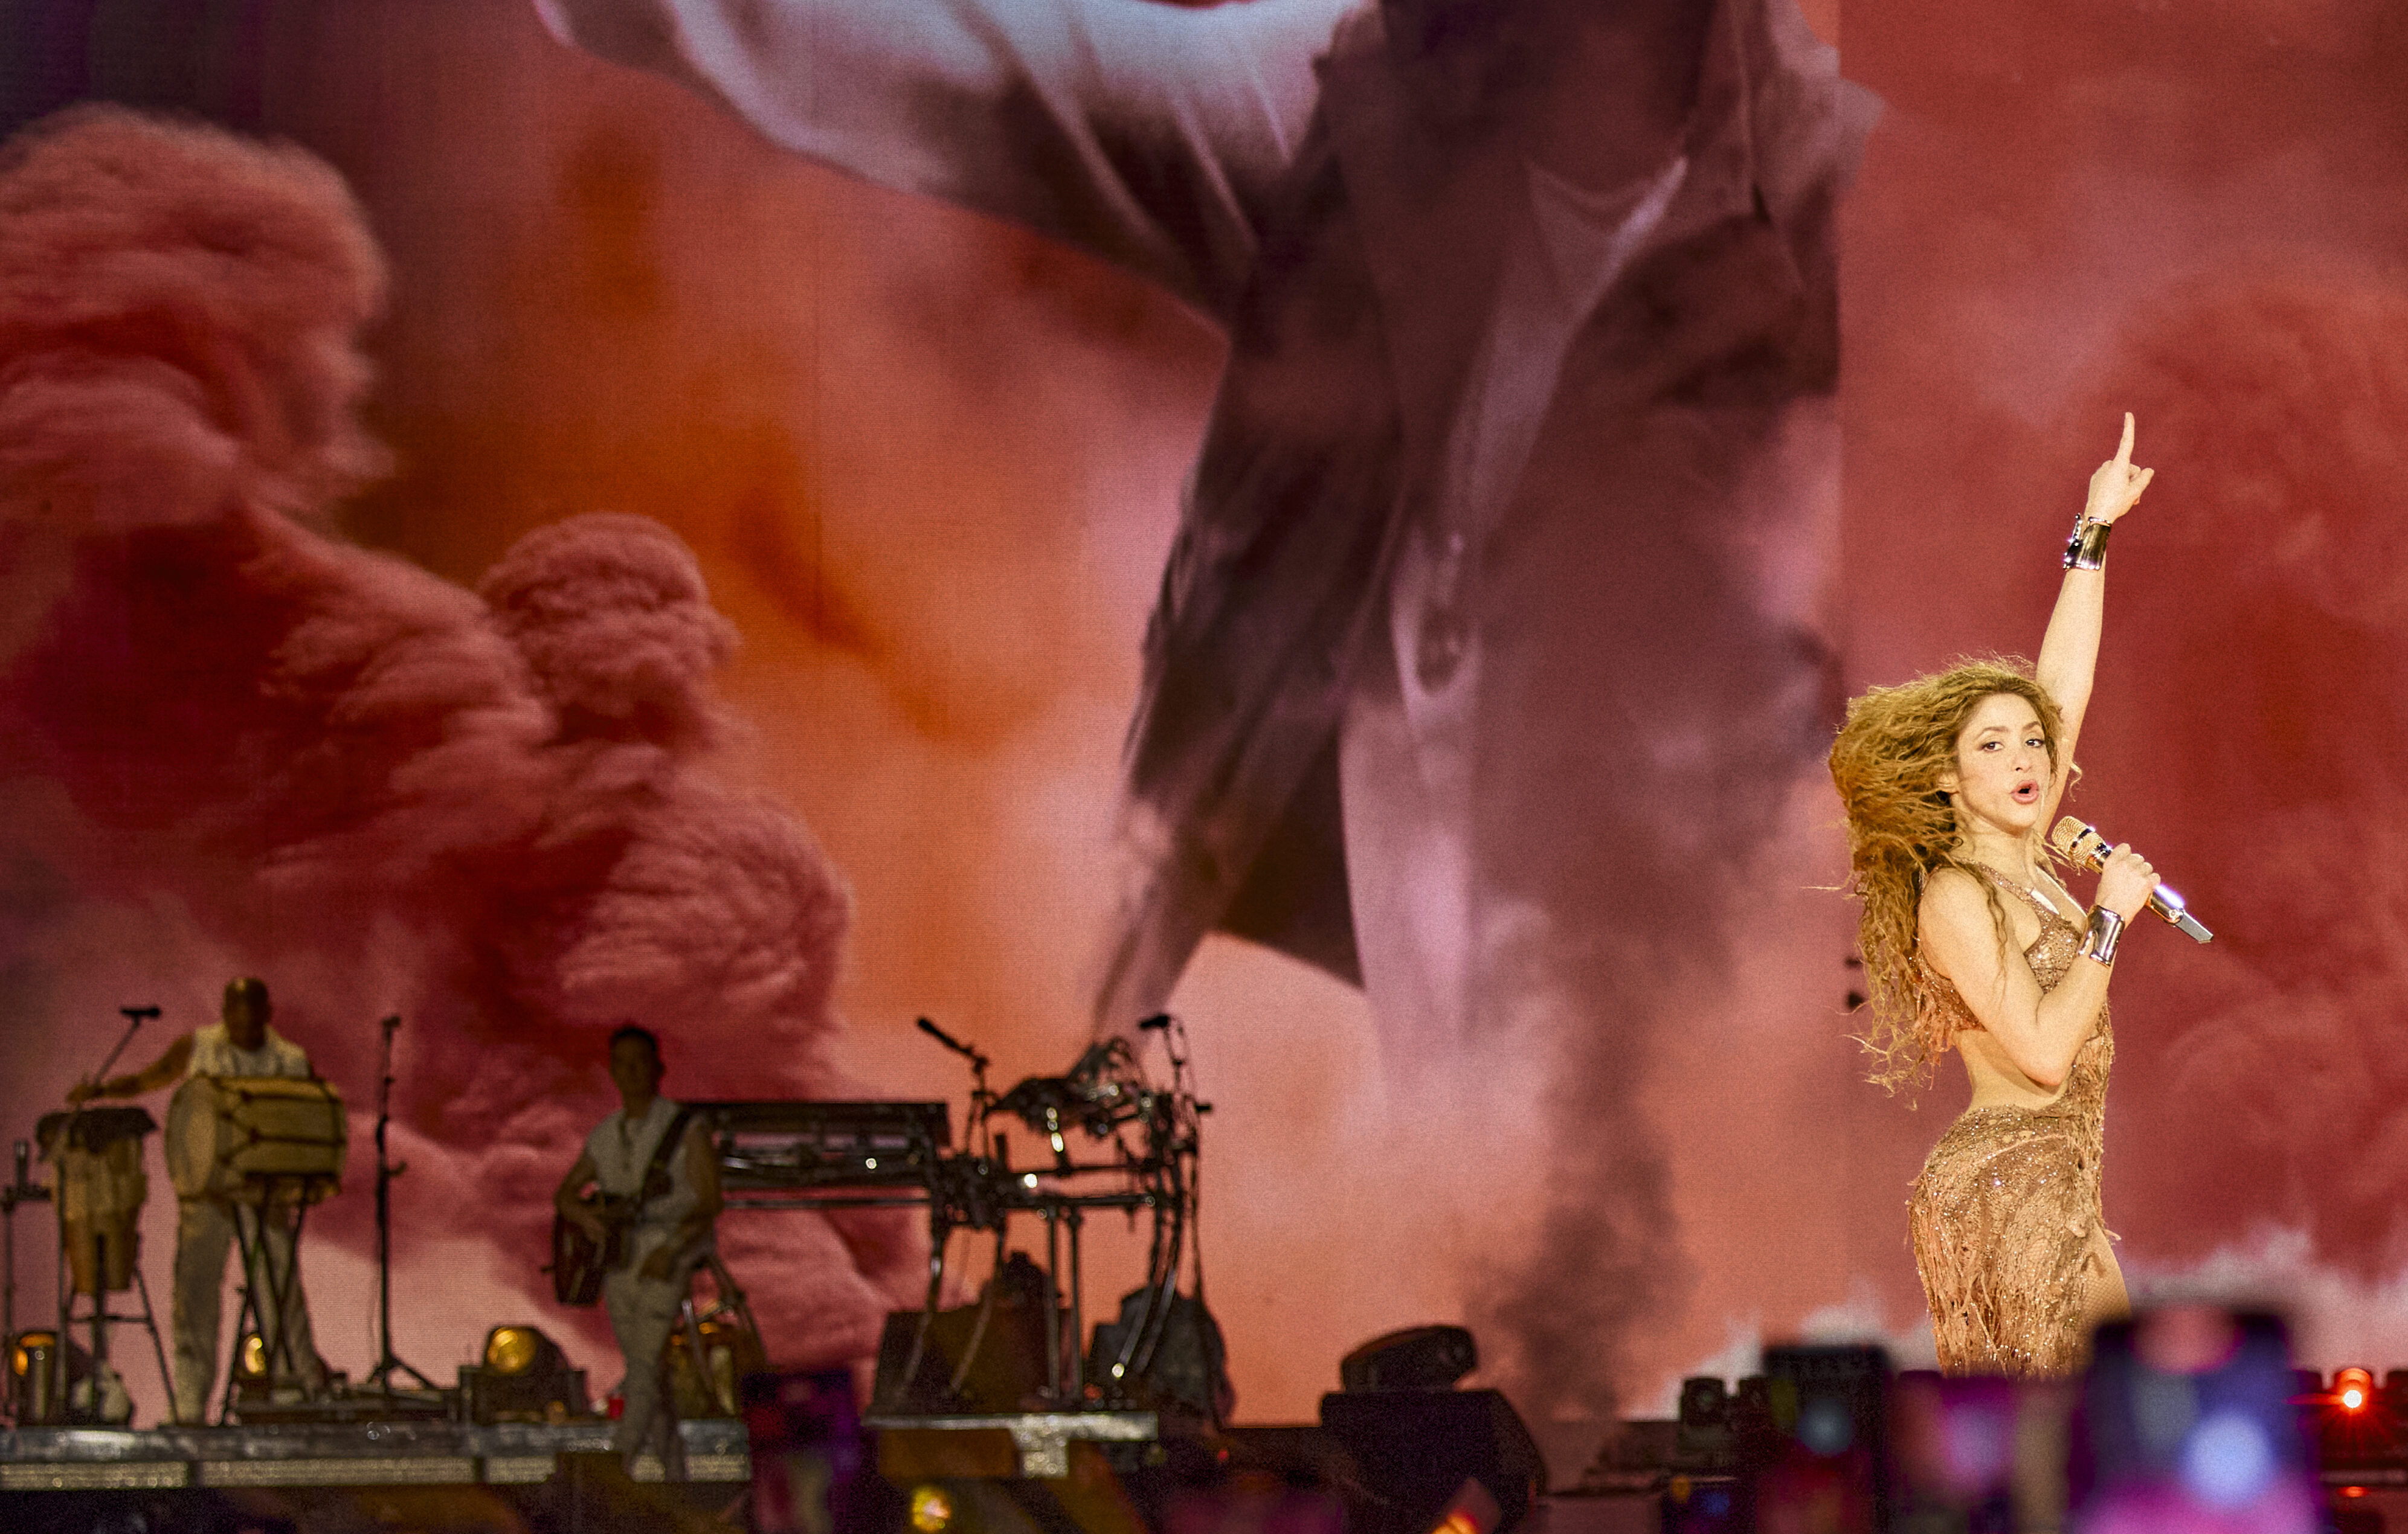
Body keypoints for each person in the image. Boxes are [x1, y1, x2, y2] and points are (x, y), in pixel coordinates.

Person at [532, 0, 1875, 1074]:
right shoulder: (1347, 111)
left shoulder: (1865, 217)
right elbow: (982, 67)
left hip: (1751, 1068)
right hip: (1432, 1084)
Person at [1827, 419, 2157, 1534]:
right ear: (1947, 782)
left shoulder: (2027, 861)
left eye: (2033, 744)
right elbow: (2039, 1047)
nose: (2027, 761)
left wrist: (2093, 535)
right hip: (2006, 1180)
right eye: (1994, 748)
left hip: (2059, 1177)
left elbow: (2064, 680)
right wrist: (2113, 920)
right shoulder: (1957, 892)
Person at [72, 977, 322, 1423]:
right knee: (195, 1292)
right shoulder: (199, 1046)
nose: (243, 1025)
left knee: (279, 1287)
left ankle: (293, 1383)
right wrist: (103, 1091)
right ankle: (190, 1399)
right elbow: (151, 1077)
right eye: (235, 1015)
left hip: (263, 1189)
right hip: (206, 1191)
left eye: (252, 1016)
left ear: (267, 1014)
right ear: (225, 1013)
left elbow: (307, 1120)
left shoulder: (289, 1060)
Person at [556, 1024, 726, 1483]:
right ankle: (676, 1474)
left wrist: (673, 1248)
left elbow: (709, 1200)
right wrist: (586, 1218)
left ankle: (619, 1460)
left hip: (666, 1250)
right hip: (619, 1255)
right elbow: (566, 1194)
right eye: (622, 1063)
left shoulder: (684, 1129)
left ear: (658, 1069)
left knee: (645, 1364)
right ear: (612, 1071)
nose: (631, 1072)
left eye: (640, 1062)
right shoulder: (605, 1135)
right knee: (646, 1370)